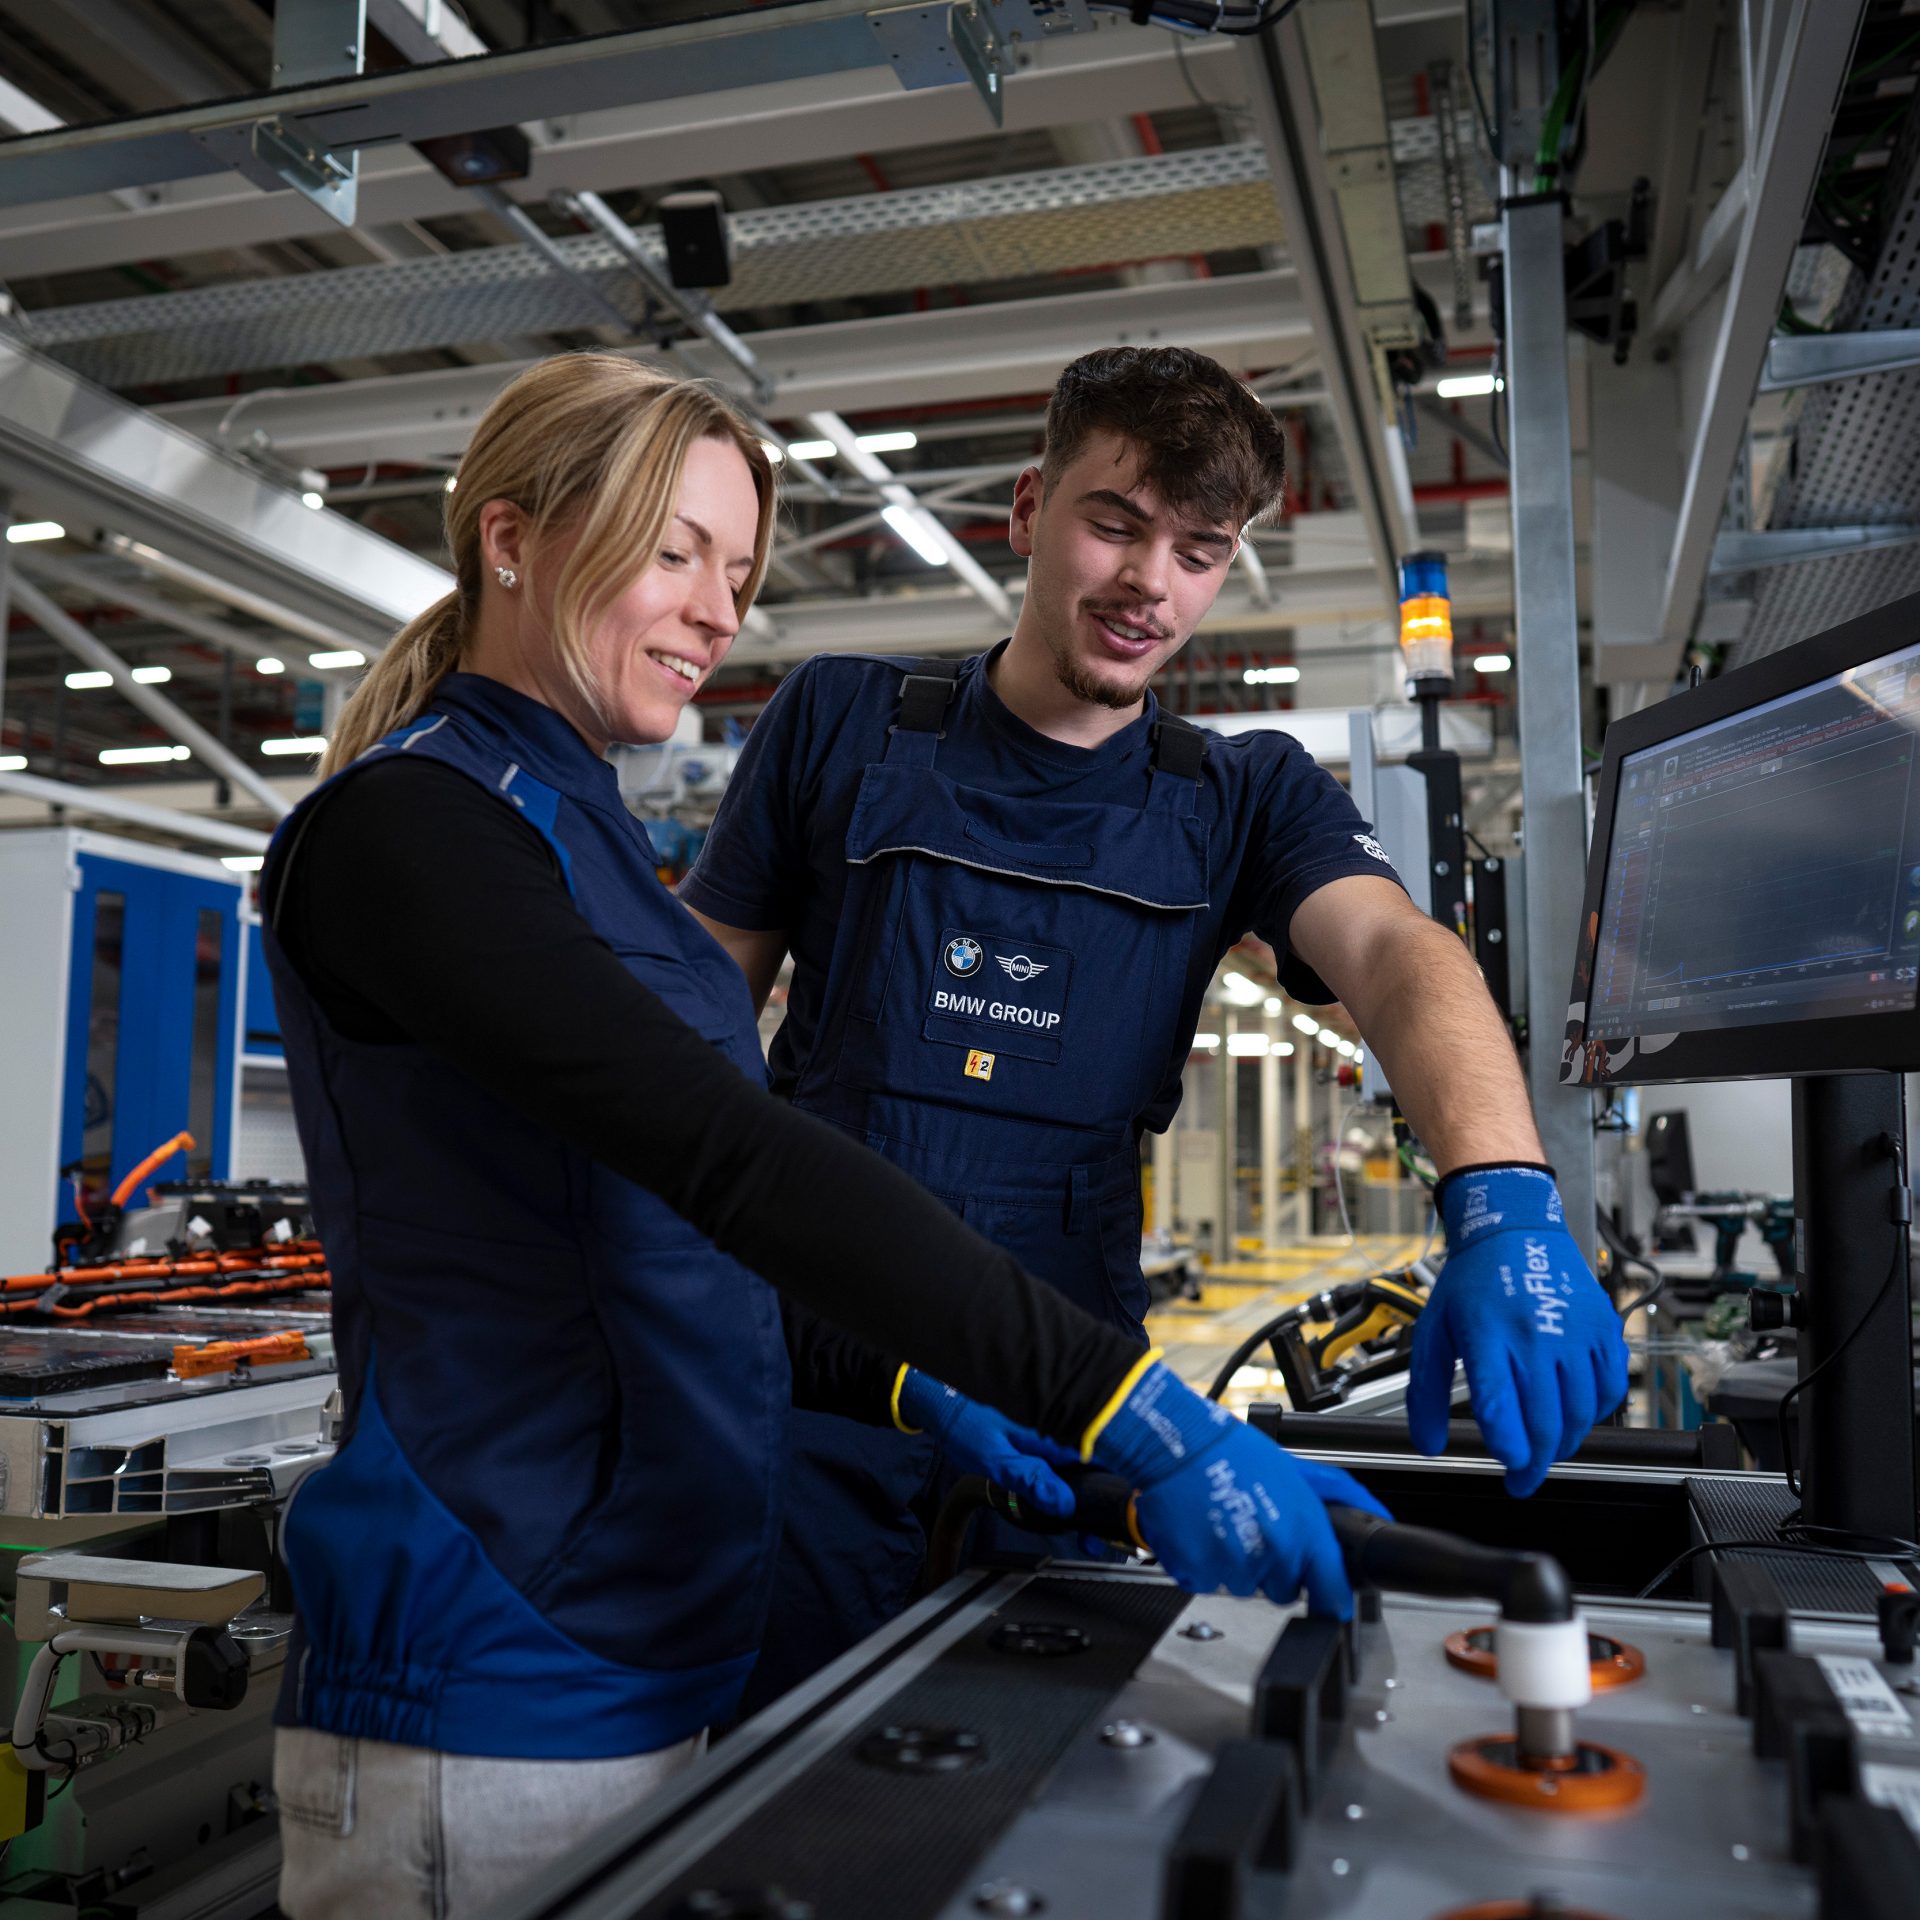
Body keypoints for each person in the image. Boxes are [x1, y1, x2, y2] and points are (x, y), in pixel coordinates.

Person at [257, 352, 1388, 1920]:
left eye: (736, 566)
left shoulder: (582, 841)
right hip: (491, 1673)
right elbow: (727, 1160)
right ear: (508, 539)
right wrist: (1129, 1408)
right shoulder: (408, 832)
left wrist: (915, 1385)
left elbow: (668, 1251)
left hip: (652, 1646)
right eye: (673, 554)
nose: (721, 610)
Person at [682, 344, 1631, 1705]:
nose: (1150, 585)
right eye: (1115, 524)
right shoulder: (838, 720)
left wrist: (1505, 1195)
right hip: (803, 1399)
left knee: (1045, 1784)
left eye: (1199, 549)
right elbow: (685, 1033)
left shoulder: (1243, 796)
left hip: (1080, 1415)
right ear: (1026, 511)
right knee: (782, 1804)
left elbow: (1398, 953)